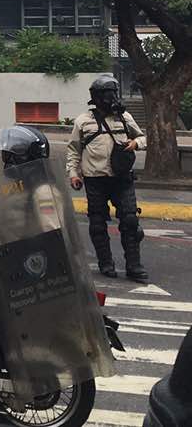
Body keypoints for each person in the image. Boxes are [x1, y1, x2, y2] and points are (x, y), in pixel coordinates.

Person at [67, 75, 148, 281]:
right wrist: (74, 173)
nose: (110, 98)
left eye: (113, 93)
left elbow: (142, 137)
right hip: (95, 179)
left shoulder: (124, 117)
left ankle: (134, 266)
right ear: (96, 97)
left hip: (122, 178)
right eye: (106, 94)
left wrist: (136, 144)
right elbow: (74, 150)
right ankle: (106, 263)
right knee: (97, 222)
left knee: (130, 220)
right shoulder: (83, 121)